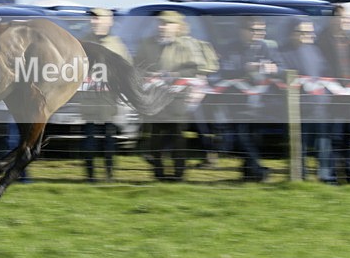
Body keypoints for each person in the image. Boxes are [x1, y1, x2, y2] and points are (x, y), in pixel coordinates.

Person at [135, 11, 217, 181]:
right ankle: (159, 173)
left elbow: (194, 68)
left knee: (177, 134)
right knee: (155, 135)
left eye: (167, 24)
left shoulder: (187, 45)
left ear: (178, 27)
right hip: (155, 96)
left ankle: (179, 173)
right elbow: (138, 65)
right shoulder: (147, 44)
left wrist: (173, 74)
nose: (162, 27)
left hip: (177, 96)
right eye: (160, 23)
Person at [217, 16, 285, 181]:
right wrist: (245, 68)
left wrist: (274, 68)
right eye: (253, 30)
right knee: (241, 136)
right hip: (237, 101)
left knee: (253, 137)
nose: (257, 34)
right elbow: (224, 70)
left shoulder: (267, 48)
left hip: (261, 101)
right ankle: (258, 170)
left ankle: (250, 171)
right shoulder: (230, 48)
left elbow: (284, 67)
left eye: (261, 30)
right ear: (242, 31)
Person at [79, 8, 132, 182]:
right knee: (89, 138)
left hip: (109, 99)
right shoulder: (83, 42)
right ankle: (90, 176)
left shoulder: (117, 44)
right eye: (93, 19)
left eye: (98, 19)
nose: (94, 22)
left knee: (109, 138)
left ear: (108, 22)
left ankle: (109, 175)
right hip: (89, 98)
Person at [280, 18, 333, 183]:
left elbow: (325, 71)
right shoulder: (283, 52)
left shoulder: (315, 50)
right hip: (297, 107)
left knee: (323, 142)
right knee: (299, 143)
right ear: (292, 34)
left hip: (319, 105)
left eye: (310, 32)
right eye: (303, 32)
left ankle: (325, 176)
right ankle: (299, 176)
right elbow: (280, 72)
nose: (309, 35)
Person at [316, 5, 350, 184]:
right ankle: (332, 175)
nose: (349, 23)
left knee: (348, 136)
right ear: (335, 20)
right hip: (332, 97)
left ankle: (349, 175)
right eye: (346, 19)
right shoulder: (323, 41)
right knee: (334, 137)